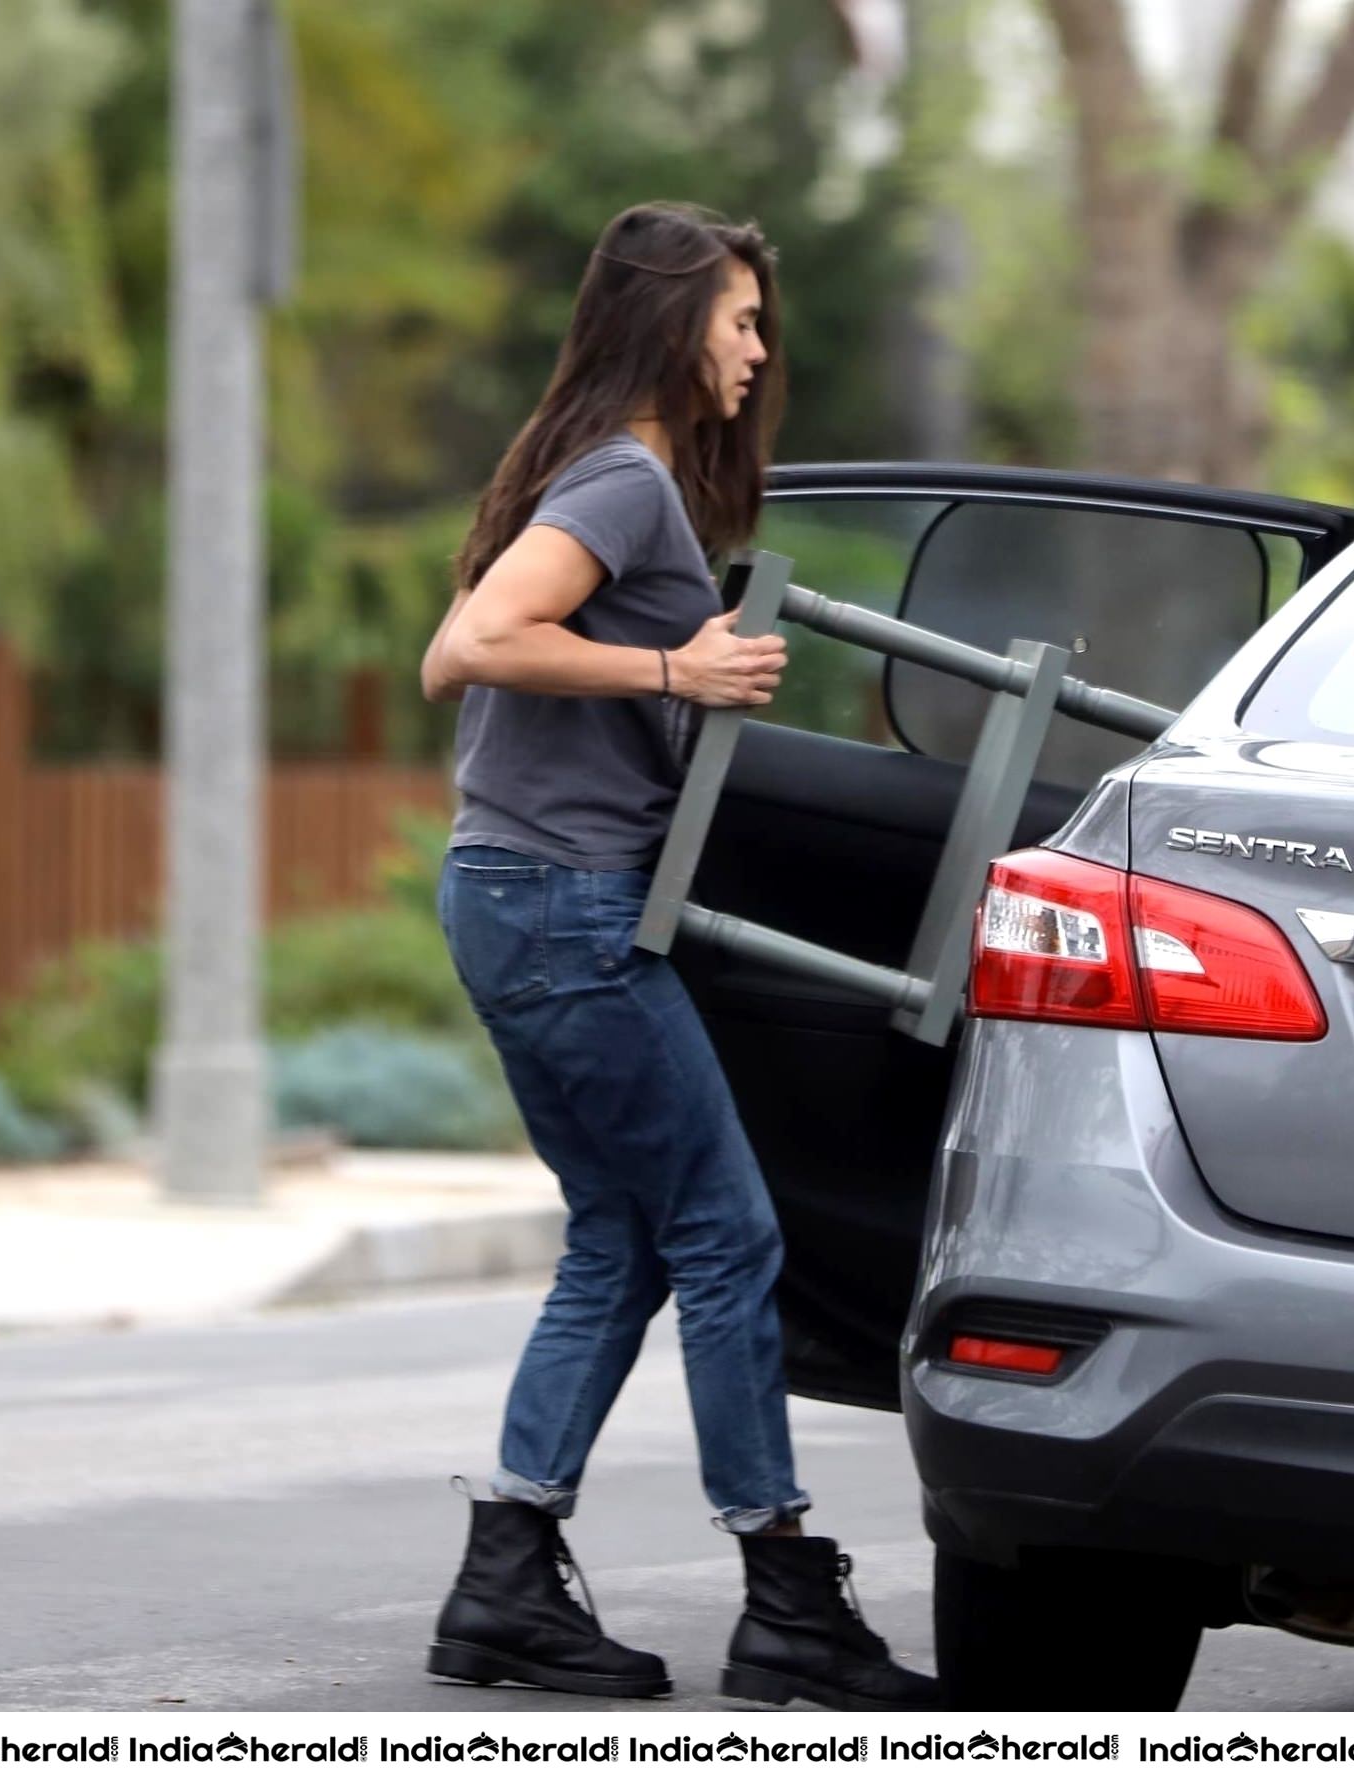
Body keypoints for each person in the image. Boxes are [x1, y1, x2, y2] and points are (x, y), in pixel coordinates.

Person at [415, 201, 935, 1712]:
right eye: (740, 318)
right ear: (670, 321)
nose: (758, 348)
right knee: (727, 1236)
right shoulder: (626, 482)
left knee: (621, 1239)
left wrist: (680, 698)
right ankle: (783, 1597)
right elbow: (468, 644)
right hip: (562, 906)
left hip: (513, 891)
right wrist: (675, 664)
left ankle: (507, 1572)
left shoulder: (599, 471)